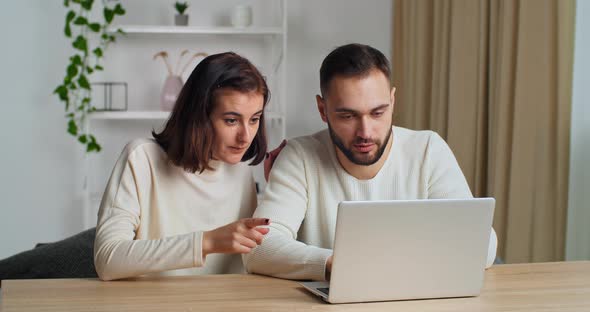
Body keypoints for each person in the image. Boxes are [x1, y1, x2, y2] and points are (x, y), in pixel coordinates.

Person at [244, 43, 498, 281]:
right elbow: (258, 248)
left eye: (378, 113)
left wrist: (372, 266)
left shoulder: (428, 150)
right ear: (323, 110)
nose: (365, 131)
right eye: (347, 115)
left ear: (392, 101)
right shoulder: (299, 156)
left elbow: (482, 244)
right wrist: (335, 264)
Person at [93, 52, 271, 281]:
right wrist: (207, 242)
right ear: (199, 116)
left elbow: (251, 261)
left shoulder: (240, 170)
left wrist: (277, 189)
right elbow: (108, 260)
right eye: (231, 120)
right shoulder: (141, 158)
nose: (245, 136)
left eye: (254, 119)